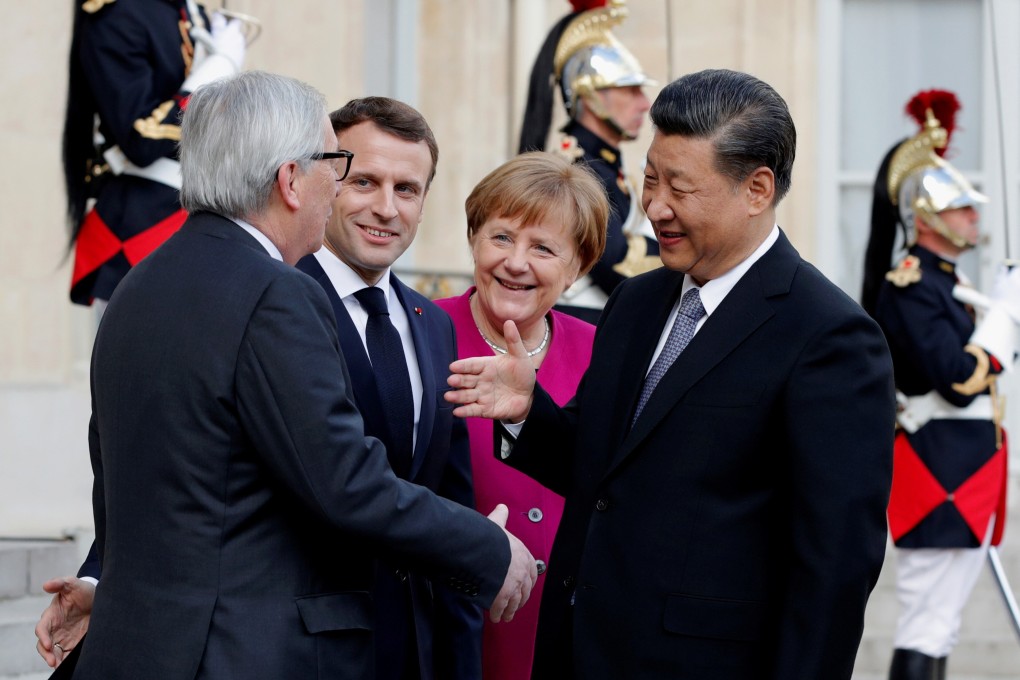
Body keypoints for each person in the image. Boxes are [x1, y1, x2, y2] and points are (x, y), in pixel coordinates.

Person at [43, 70, 536, 680]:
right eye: (336, 165)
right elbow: (344, 480)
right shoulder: (275, 292)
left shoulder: (139, 284)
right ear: (291, 180)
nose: (340, 186)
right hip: (239, 652)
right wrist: (487, 549)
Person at [446, 68, 896, 679]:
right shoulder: (638, 302)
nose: (654, 207)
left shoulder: (828, 336)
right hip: (578, 653)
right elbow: (603, 470)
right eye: (650, 179)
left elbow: (835, 565)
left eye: (679, 188)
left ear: (757, 189)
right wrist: (528, 412)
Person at [294, 96, 482, 680]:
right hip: (306, 652)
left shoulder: (435, 325)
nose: (385, 207)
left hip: (416, 652)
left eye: (407, 189)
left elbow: (449, 498)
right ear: (323, 182)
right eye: (365, 181)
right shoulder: (277, 301)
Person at [861, 90, 1020, 680]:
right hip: (939, 469)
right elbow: (958, 381)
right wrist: (1004, 319)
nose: (973, 217)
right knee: (927, 622)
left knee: (941, 622)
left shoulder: (946, 286)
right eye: (961, 209)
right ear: (926, 218)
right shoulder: (911, 287)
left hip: (963, 468)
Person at [434, 152, 608, 680]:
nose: (516, 263)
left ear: (577, 266)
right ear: (474, 240)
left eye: (543, 248)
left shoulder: (603, 353)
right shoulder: (422, 334)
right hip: (450, 627)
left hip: (568, 639)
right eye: (502, 237)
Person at [63, 0, 246, 307]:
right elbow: (141, 140)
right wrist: (219, 67)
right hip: (145, 221)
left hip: (207, 209)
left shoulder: (191, 12)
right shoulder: (116, 14)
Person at [518, 0, 659, 323]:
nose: (644, 104)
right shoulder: (580, 171)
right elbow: (616, 263)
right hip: (582, 322)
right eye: (631, 89)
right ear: (591, 96)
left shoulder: (605, 167)